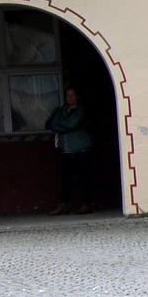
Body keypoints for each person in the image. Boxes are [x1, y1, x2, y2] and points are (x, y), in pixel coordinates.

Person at [46, 86, 93, 214]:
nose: (70, 98)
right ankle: (64, 205)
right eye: (68, 95)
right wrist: (64, 125)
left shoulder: (81, 110)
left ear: (78, 97)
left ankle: (86, 203)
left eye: (73, 95)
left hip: (81, 148)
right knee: (66, 179)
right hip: (66, 150)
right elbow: (51, 124)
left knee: (84, 178)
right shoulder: (61, 110)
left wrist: (61, 124)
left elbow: (73, 123)